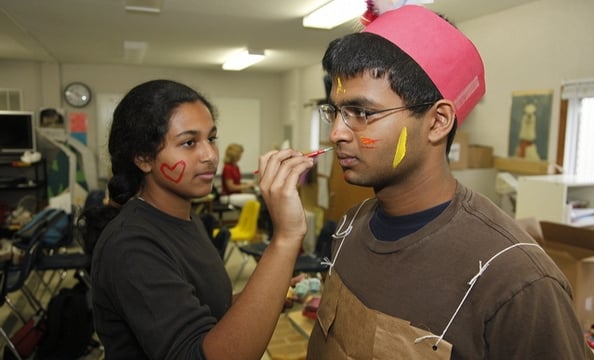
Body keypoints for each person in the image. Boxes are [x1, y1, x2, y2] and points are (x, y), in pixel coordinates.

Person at [306, 3, 593, 359]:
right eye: (335, 111)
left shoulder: (518, 280)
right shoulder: (349, 228)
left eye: (362, 113)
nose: (336, 132)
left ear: (438, 121)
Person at [84, 79, 315, 359]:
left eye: (211, 139)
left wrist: (270, 294)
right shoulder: (131, 245)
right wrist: (286, 238)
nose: (210, 155)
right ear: (144, 158)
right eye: (189, 142)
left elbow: (206, 311)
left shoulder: (186, 219)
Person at [220, 143, 258, 208]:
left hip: (234, 195)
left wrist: (246, 184)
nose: (241, 156)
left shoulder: (236, 167)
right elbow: (231, 187)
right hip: (227, 196)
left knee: (252, 197)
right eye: (240, 154)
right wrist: (248, 185)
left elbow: (237, 183)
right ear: (235, 155)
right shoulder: (228, 168)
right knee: (253, 198)